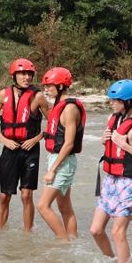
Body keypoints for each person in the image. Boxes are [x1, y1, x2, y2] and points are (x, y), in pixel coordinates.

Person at [91, 79, 132, 263]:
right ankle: (112, 260)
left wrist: (125, 146)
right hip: (110, 180)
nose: (111, 103)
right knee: (96, 230)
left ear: (127, 101)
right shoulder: (113, 118)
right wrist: (104, 141)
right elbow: (110, 145)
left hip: (129, 182)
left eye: (115, 100)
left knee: (117, 232)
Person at [0, 58, 48, 232]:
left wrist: (37, 138)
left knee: (26, 195)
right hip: (10, 149)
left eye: (29, 74)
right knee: (4, 195)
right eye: (22, 74)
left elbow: (53, 123)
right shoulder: (3, 95)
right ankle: (0, 231)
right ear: (14, 75)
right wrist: (3, 139)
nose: (26, 77)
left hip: (30, 150)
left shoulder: (38, 97)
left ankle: (27, 234)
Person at [37, 67, 84, 240]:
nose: (46, 89)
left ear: (62, 86)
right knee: (64, 207)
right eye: (46, 86)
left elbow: (69, 143)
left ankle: (62, 242)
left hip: (62, 162)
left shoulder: (70, 108)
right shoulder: (59, 105)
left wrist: (52, 170)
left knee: (42, 206)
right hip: (58, 160)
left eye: (50, 86)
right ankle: (72, 243)